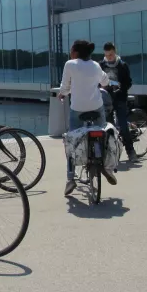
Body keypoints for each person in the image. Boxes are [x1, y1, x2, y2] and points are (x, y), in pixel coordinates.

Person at [58, 40, 118, 196]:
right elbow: (105, 82)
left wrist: (61, 94)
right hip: (96, 107)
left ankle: (70, 179)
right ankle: (108, 167)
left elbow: (65, 87)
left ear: (76, 52)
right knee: (104, 134)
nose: (70, 52)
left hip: (77, 108)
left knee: (71, 140)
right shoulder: (96, 65)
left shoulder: (70, 64)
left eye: (71, 49)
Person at [100, 42, 137, 162]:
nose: (109, 57)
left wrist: (121, 88)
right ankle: (111, 152)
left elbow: (128, 82)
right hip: (106, 99)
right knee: (108, 127)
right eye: (107, 55)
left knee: (122, 125)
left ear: (115, 52)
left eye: (111, 55)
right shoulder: (101, 65)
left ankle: (130, 151)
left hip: (120, 98)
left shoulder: (122, 65)